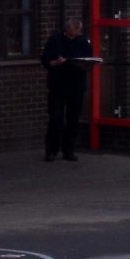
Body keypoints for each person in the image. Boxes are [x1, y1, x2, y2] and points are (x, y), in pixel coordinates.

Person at [40, 18, 93, 161]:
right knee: (55, 118)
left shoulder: (83, 42)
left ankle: (69, 150)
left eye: (75, 35)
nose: (73, 37)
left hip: (76, 85)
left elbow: (89, 63)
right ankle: (51, 150)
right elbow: (45, 60)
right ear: (66, 30)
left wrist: (83, 64)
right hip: (58, 84)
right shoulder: (55, 40)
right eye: (70, 34)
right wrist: (56, 62)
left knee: (73, 118)